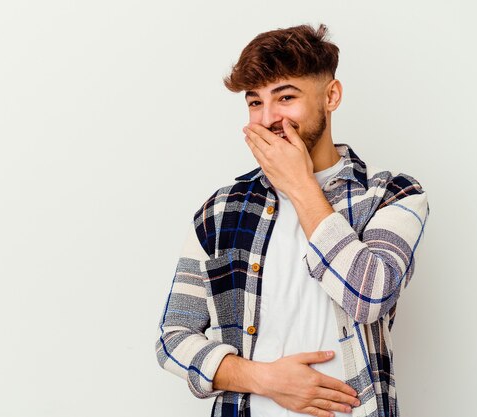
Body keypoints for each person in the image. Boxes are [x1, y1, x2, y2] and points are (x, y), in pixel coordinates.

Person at [155, 23, 430, 417]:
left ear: (331, 96)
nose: (267, 118)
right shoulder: (220, 210)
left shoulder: (392, 194)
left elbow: (369, 296)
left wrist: (300, 185)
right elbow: (173, 338)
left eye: (285, 97)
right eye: (254, 102)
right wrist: (264, 379)